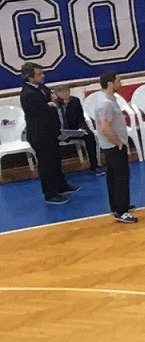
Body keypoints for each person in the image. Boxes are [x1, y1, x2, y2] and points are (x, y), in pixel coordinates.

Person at [81, 72, 136, 222]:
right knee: (121, 177)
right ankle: (122, 211)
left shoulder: (107, 99)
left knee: (113, 176)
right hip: (113, 145)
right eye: (119, 80)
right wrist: (118, 143)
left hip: (111, 144)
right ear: (110, 83)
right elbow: (105, 128)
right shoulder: (106, 103)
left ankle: (117, 205)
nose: (121, 83)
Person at [19, 63, 72, 203]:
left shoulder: (41, 87)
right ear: (29, 77)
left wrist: (53, 102)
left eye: (42, 73)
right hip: (39, 134)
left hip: (50, 131)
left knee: (55, 159)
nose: (42, 76)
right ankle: (50, 193)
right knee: (46, 164)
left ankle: (61, 185)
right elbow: (43, 111)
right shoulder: (28, 94)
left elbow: (55, 100)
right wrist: (51, 104)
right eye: (38, 74)